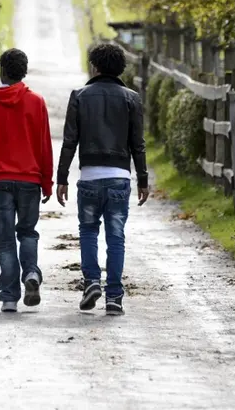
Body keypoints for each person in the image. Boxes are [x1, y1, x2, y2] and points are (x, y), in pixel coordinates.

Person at [56, 43, 149, 316]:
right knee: (116, 237)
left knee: (88, 231)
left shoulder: (80, 96)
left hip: (89, 177)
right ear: (121, 68)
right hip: (119, 178)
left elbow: (69, 141)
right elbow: (138, 144)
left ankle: (92, 282)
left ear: (94, 66)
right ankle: (114, 297)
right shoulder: (132, 98)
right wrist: (143, 179)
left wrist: (62, 177)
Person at [0, 49, 53, 313]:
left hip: (0, 181)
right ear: (24, 72)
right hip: (29, 181)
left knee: (5, 241)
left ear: (2, 70)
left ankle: (9, 297)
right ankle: (31, 273)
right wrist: (47, 182)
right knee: (27, 232)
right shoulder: (36, 102)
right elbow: (44, 145)